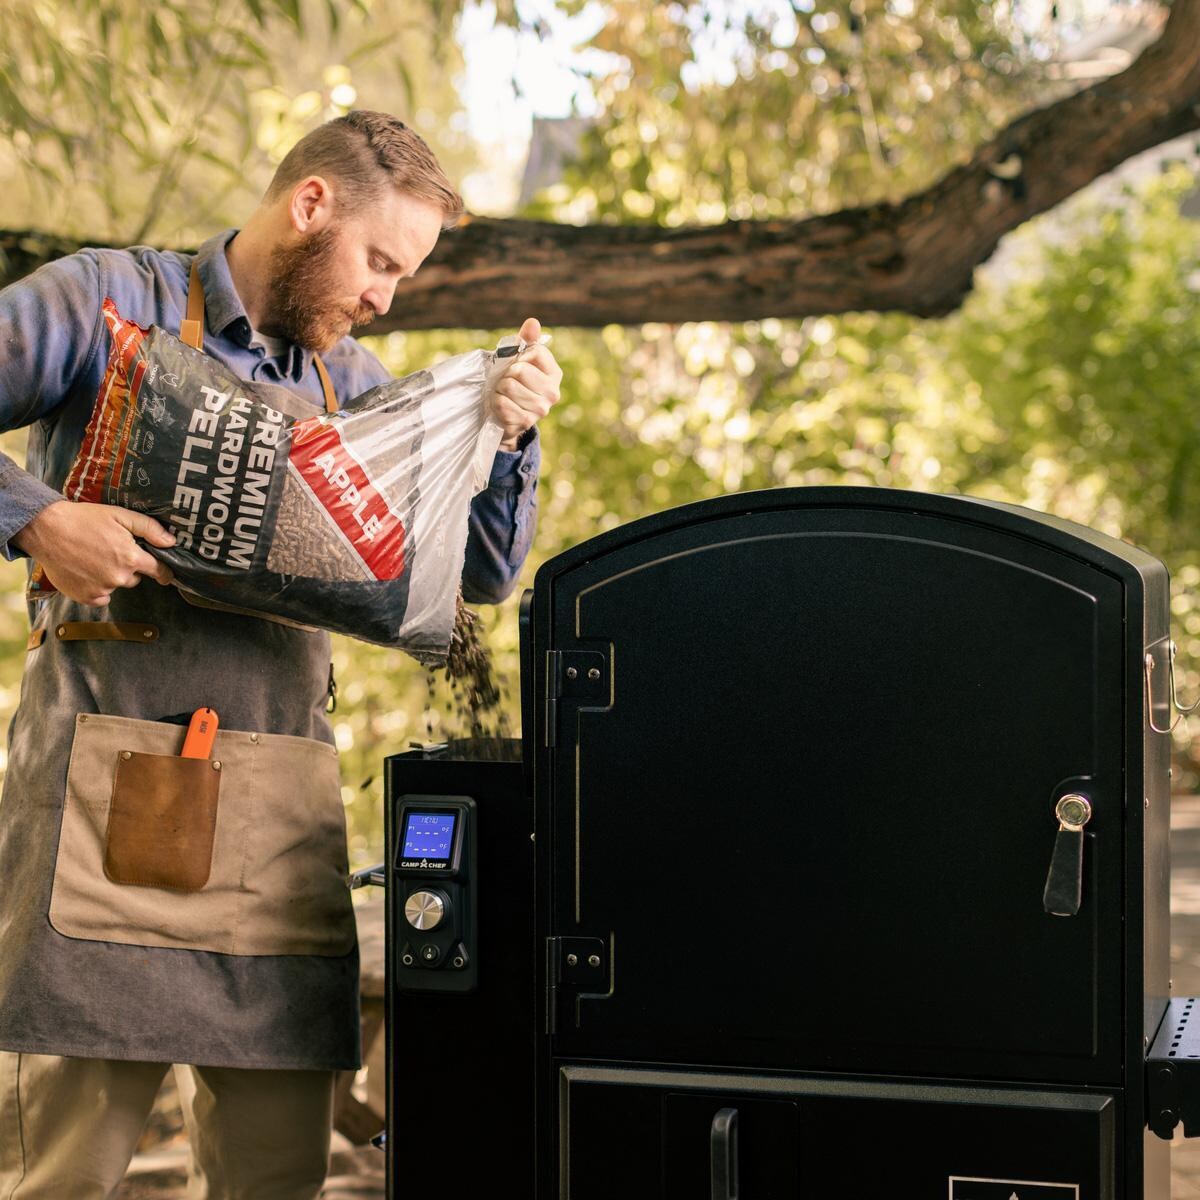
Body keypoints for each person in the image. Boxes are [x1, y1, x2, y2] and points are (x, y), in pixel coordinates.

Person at [0, 110, 561, 1198]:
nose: (386, 296)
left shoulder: (357, 389)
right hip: (101, 801)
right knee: (71, 1167)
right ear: (311, 206)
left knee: (280, 1174)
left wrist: (510, 435)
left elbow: (480, 577)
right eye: (379, 261)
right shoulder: (105, 301)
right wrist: (35, 521)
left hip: (282, 817)